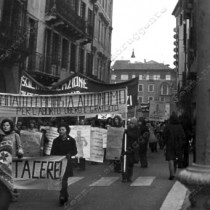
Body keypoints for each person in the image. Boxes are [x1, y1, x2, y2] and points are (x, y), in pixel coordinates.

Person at [51, 123, 77, 206]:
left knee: (64, 179)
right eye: (60, 129)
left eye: (63, 129)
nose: (61, 131)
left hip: (67, 162)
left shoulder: (71, 140)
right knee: (60, 180)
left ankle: (62, 196)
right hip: (58, 163)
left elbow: (75, 151)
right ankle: (65, 194)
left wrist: (70, 154)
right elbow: (52, 152)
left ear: (67, 130)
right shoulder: (56, 140)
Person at [0, 119, 24, 205]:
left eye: (7, 125)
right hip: (2, 162)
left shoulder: (15, 135)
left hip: (13, 161)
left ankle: (12, 194)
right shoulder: (0, 136)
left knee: (12, 179)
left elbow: (20, 147)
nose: (5, 127)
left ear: (11, 126)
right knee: (4, 179)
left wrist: (20, 153)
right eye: (3, 125)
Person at [163, 112, 185, 180]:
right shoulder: (180, 126)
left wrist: (164, 144)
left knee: (170, 159)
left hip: (170, 144)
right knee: (176, 159)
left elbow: (164, 136)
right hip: (178, 145)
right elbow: (183, 136)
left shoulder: (168, 126)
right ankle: (174, 172)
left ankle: (172, 174)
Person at [121, 117, 139, 182]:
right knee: (125, 164)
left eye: (132, 123)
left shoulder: (136, 130)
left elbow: (135, 137)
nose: (131, 124)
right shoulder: (127, 130)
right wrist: (123, 148)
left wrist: (128, 133)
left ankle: (129, 176)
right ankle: (124, 177)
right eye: (130, 123)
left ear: (135, 124)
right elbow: (123, 140)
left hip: (132, 150)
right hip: (126, 149)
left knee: (131, 164)